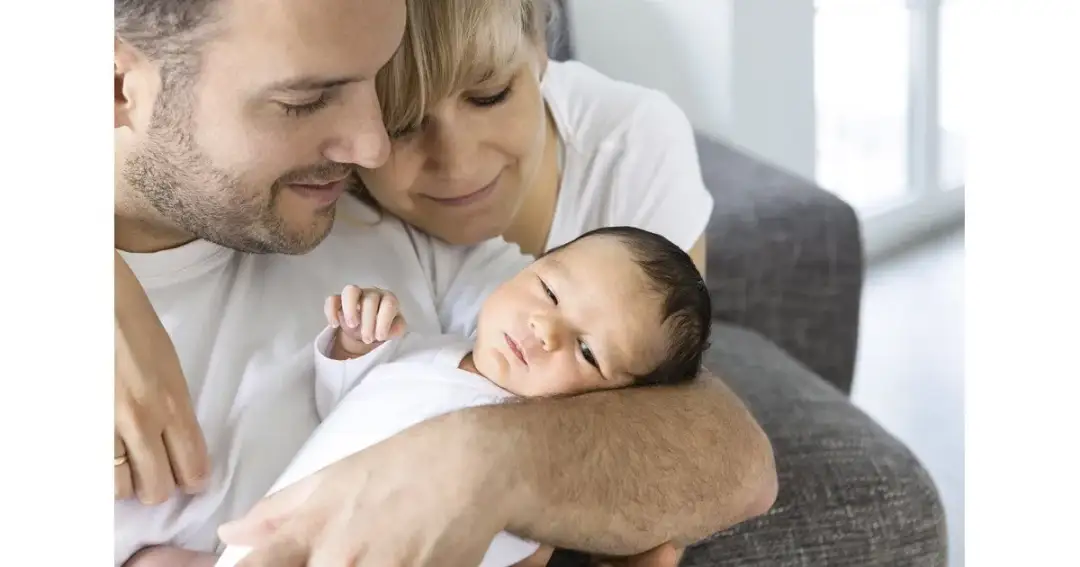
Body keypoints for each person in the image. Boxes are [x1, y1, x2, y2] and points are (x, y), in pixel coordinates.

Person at [112, 0, 777, 565]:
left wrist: (486, 461)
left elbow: (735, 457)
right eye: (305, 101)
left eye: (376, 82)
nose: (373, 147)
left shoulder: (376, 224)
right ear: (115, 85)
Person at [215, 226, 713, 567]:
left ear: (616, 401)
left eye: (586, 351)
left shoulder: (527, 454)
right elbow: (340, 412)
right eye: (550, 292)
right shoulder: (430, 349)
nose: (545, 329)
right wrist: (353, 347)